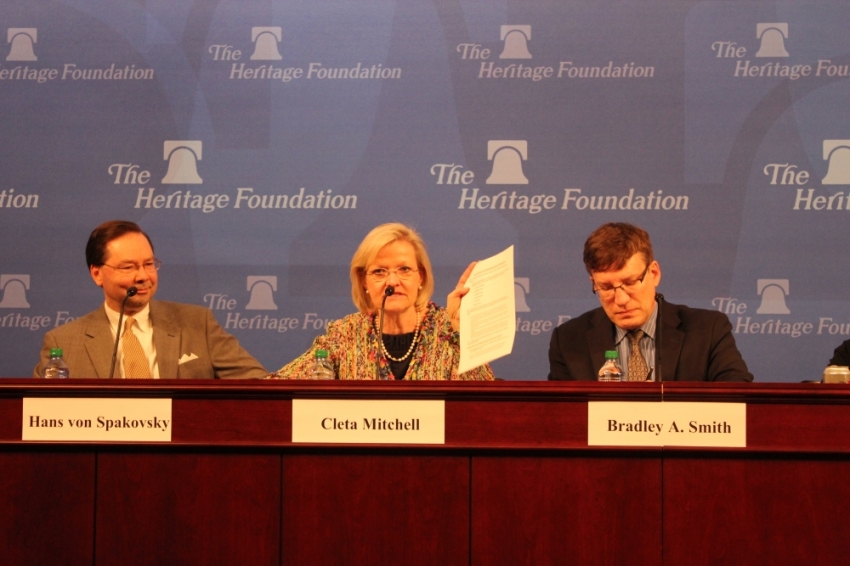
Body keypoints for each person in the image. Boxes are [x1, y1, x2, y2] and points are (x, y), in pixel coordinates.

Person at [33, 220, 266, 379]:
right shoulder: (63, 342)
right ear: (97, 274)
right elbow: (39, 413)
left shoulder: (198, 324)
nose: (143, 276)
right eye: (128, 267)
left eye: (148, 264)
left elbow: (258, 384)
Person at [271, 223, 494, 380]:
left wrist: (461, 334)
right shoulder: (344, 334)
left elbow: (485, 399)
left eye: (404, 269)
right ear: (364, 281)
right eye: (379, 271)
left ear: (421, 277)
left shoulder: (448, 328)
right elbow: (278, 386)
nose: (393, 281)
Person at [548, 222, 753, 382]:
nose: (621, 299)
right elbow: (561, 415)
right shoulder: (568, 340)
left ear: (654, 273)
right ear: (593, 283)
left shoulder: (708, 330)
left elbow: (738, 400)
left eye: (630, 282)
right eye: (607, 287)